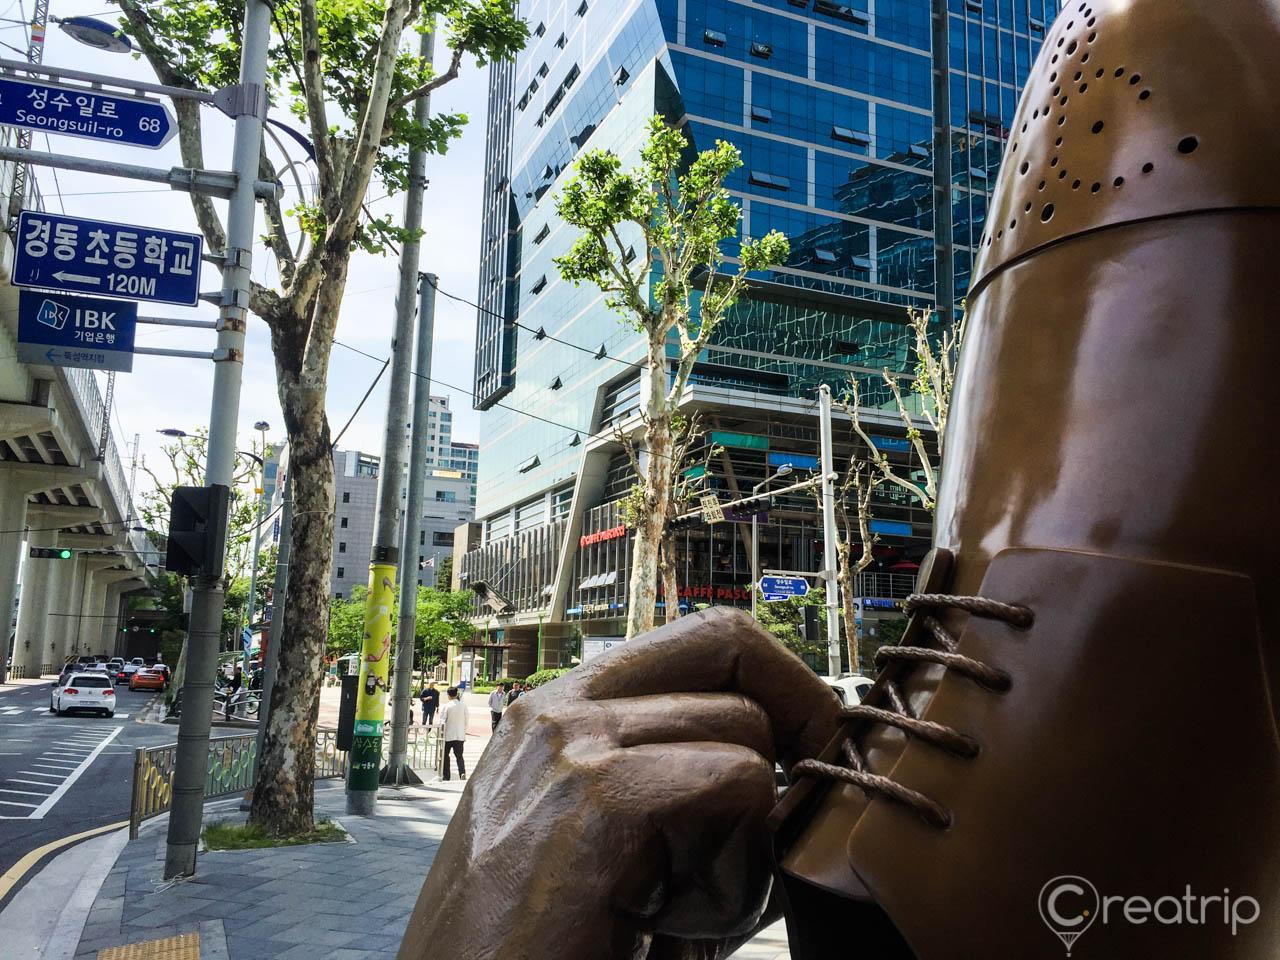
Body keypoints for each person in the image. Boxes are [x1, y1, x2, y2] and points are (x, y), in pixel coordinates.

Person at [440, 686, 468, 781]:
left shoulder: (446, 706)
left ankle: (446, 775)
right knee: (459, 756)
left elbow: (442, 721)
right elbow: (466, 719)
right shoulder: (463, 705)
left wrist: (441, 732)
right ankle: (462, 772)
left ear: (448, 695)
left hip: (448, 735)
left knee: (445, 756)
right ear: (456, 694)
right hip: (460, 735)